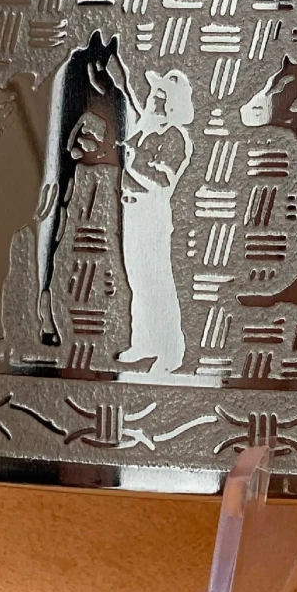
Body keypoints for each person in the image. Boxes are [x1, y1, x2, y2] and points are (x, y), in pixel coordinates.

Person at [111, 65, 195, 370]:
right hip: (131, 212)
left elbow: (162, 181)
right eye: (153, 93)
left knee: (157, 282)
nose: (153, 99)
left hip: (152, 214)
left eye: (161, 95)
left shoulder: (174, 137)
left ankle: (171, 351)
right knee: (137, 281)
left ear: (173, 103)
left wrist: (129, 161)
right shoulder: (144, 129)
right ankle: (143, 342)